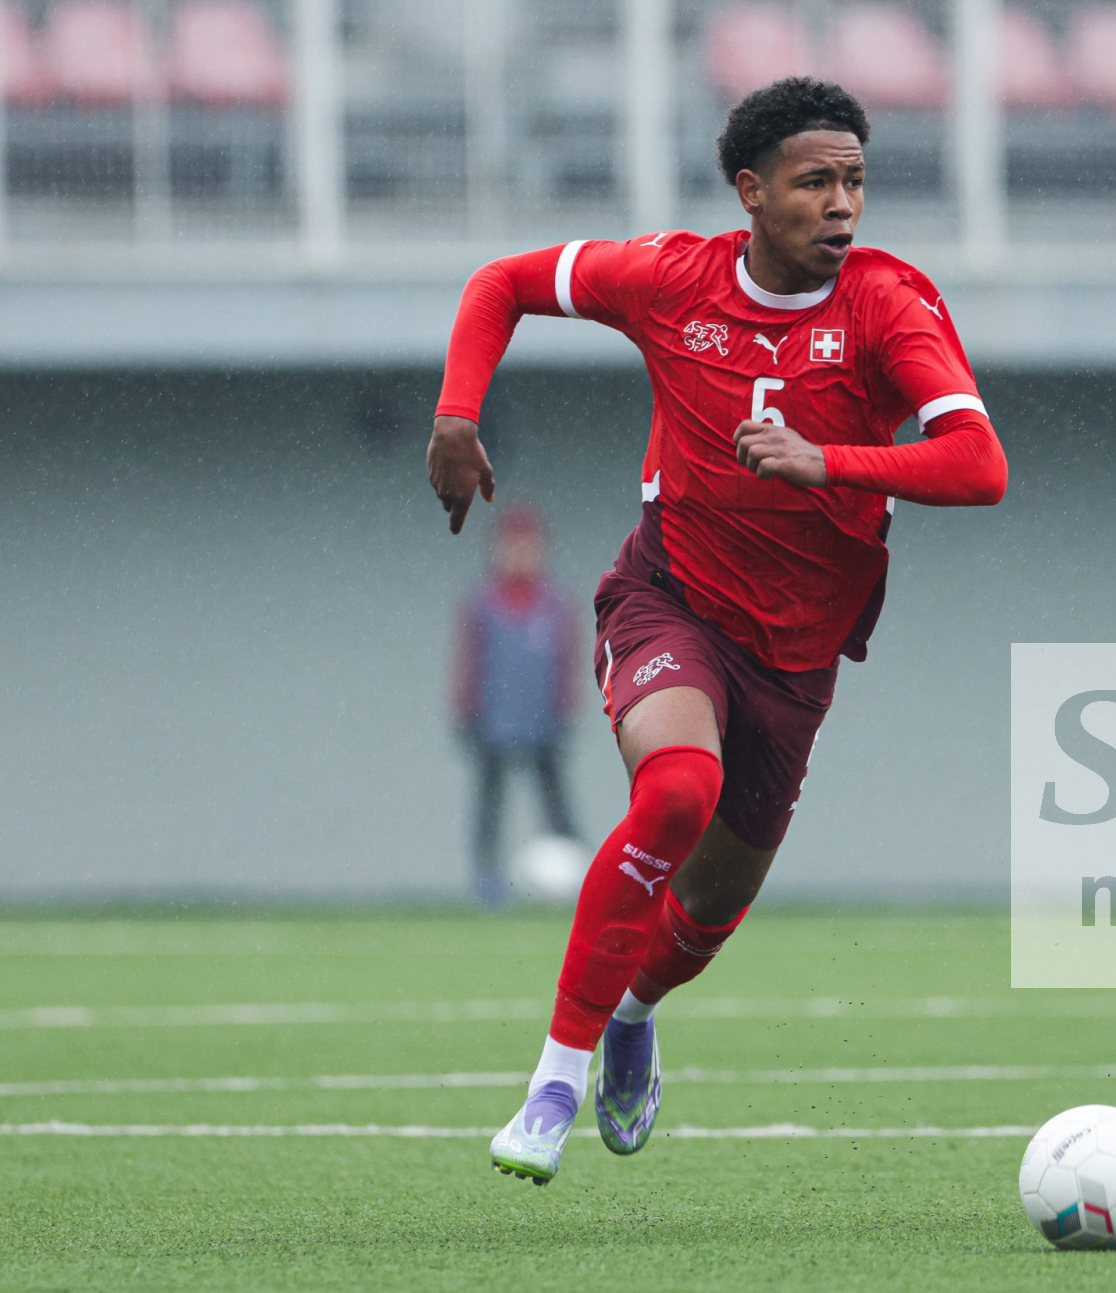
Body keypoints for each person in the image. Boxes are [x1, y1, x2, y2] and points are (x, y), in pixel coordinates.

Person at [424, 77, 1008, 1184]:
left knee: (706, 908)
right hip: (671, 599)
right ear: (750, 191)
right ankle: (552, 1084)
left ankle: (633, 1014)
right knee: (677, 789)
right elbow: (500, 281)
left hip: (797, 657)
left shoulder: (887, 306)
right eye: (815, 182)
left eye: (855, 182)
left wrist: (827, 460)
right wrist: (458, 414)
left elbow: (980, 466)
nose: (842, 205)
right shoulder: (670, 279)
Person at [450, 500, 579, 908]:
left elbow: (568, 665)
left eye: (528, 546)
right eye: (511, 546)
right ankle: (487, 884)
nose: (520, 555)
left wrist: (565, 711)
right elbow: (468, 663)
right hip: (493, 722)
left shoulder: (555, 605)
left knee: (557, 806)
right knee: (490, 807)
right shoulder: (482, 605)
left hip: (543, 724)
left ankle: (577, 880)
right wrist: (465, 711)